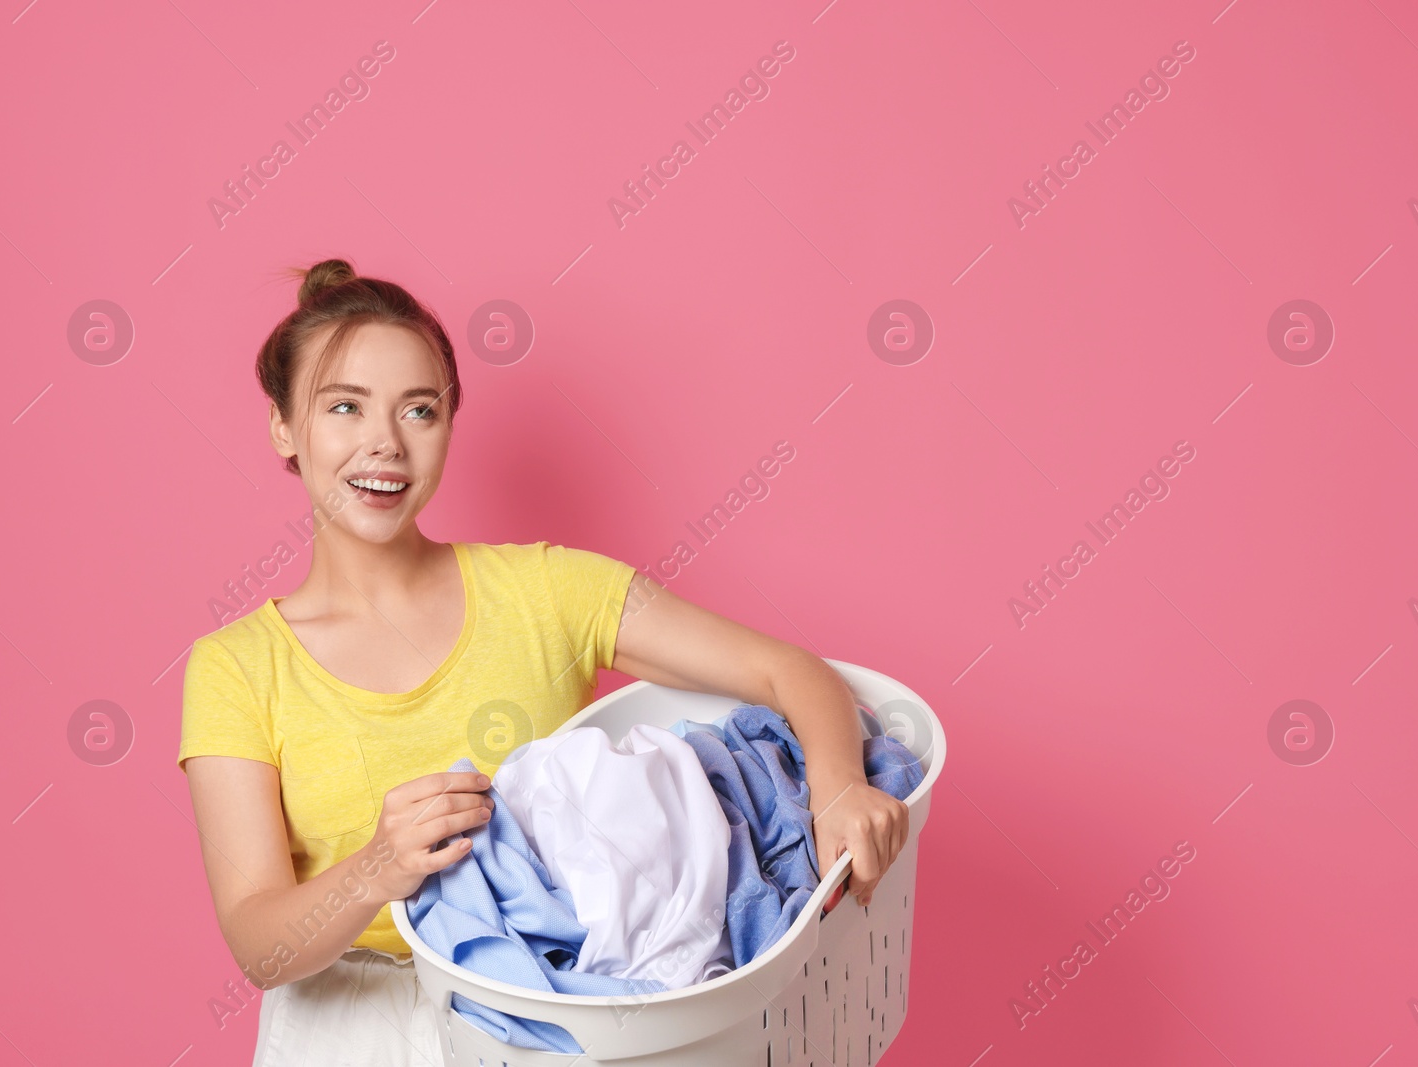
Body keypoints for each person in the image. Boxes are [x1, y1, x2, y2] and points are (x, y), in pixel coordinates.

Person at [178, 258, 910, 1065]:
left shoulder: (549, 589)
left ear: (450, 423)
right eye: (344, 407)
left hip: (562, 1020)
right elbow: (259, 946)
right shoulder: (236, 668)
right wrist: (374, 871)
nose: (384, 442)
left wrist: (841, 785)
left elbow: (788, 671)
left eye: (418, 409)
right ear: (284, 425)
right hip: (350, 1032)